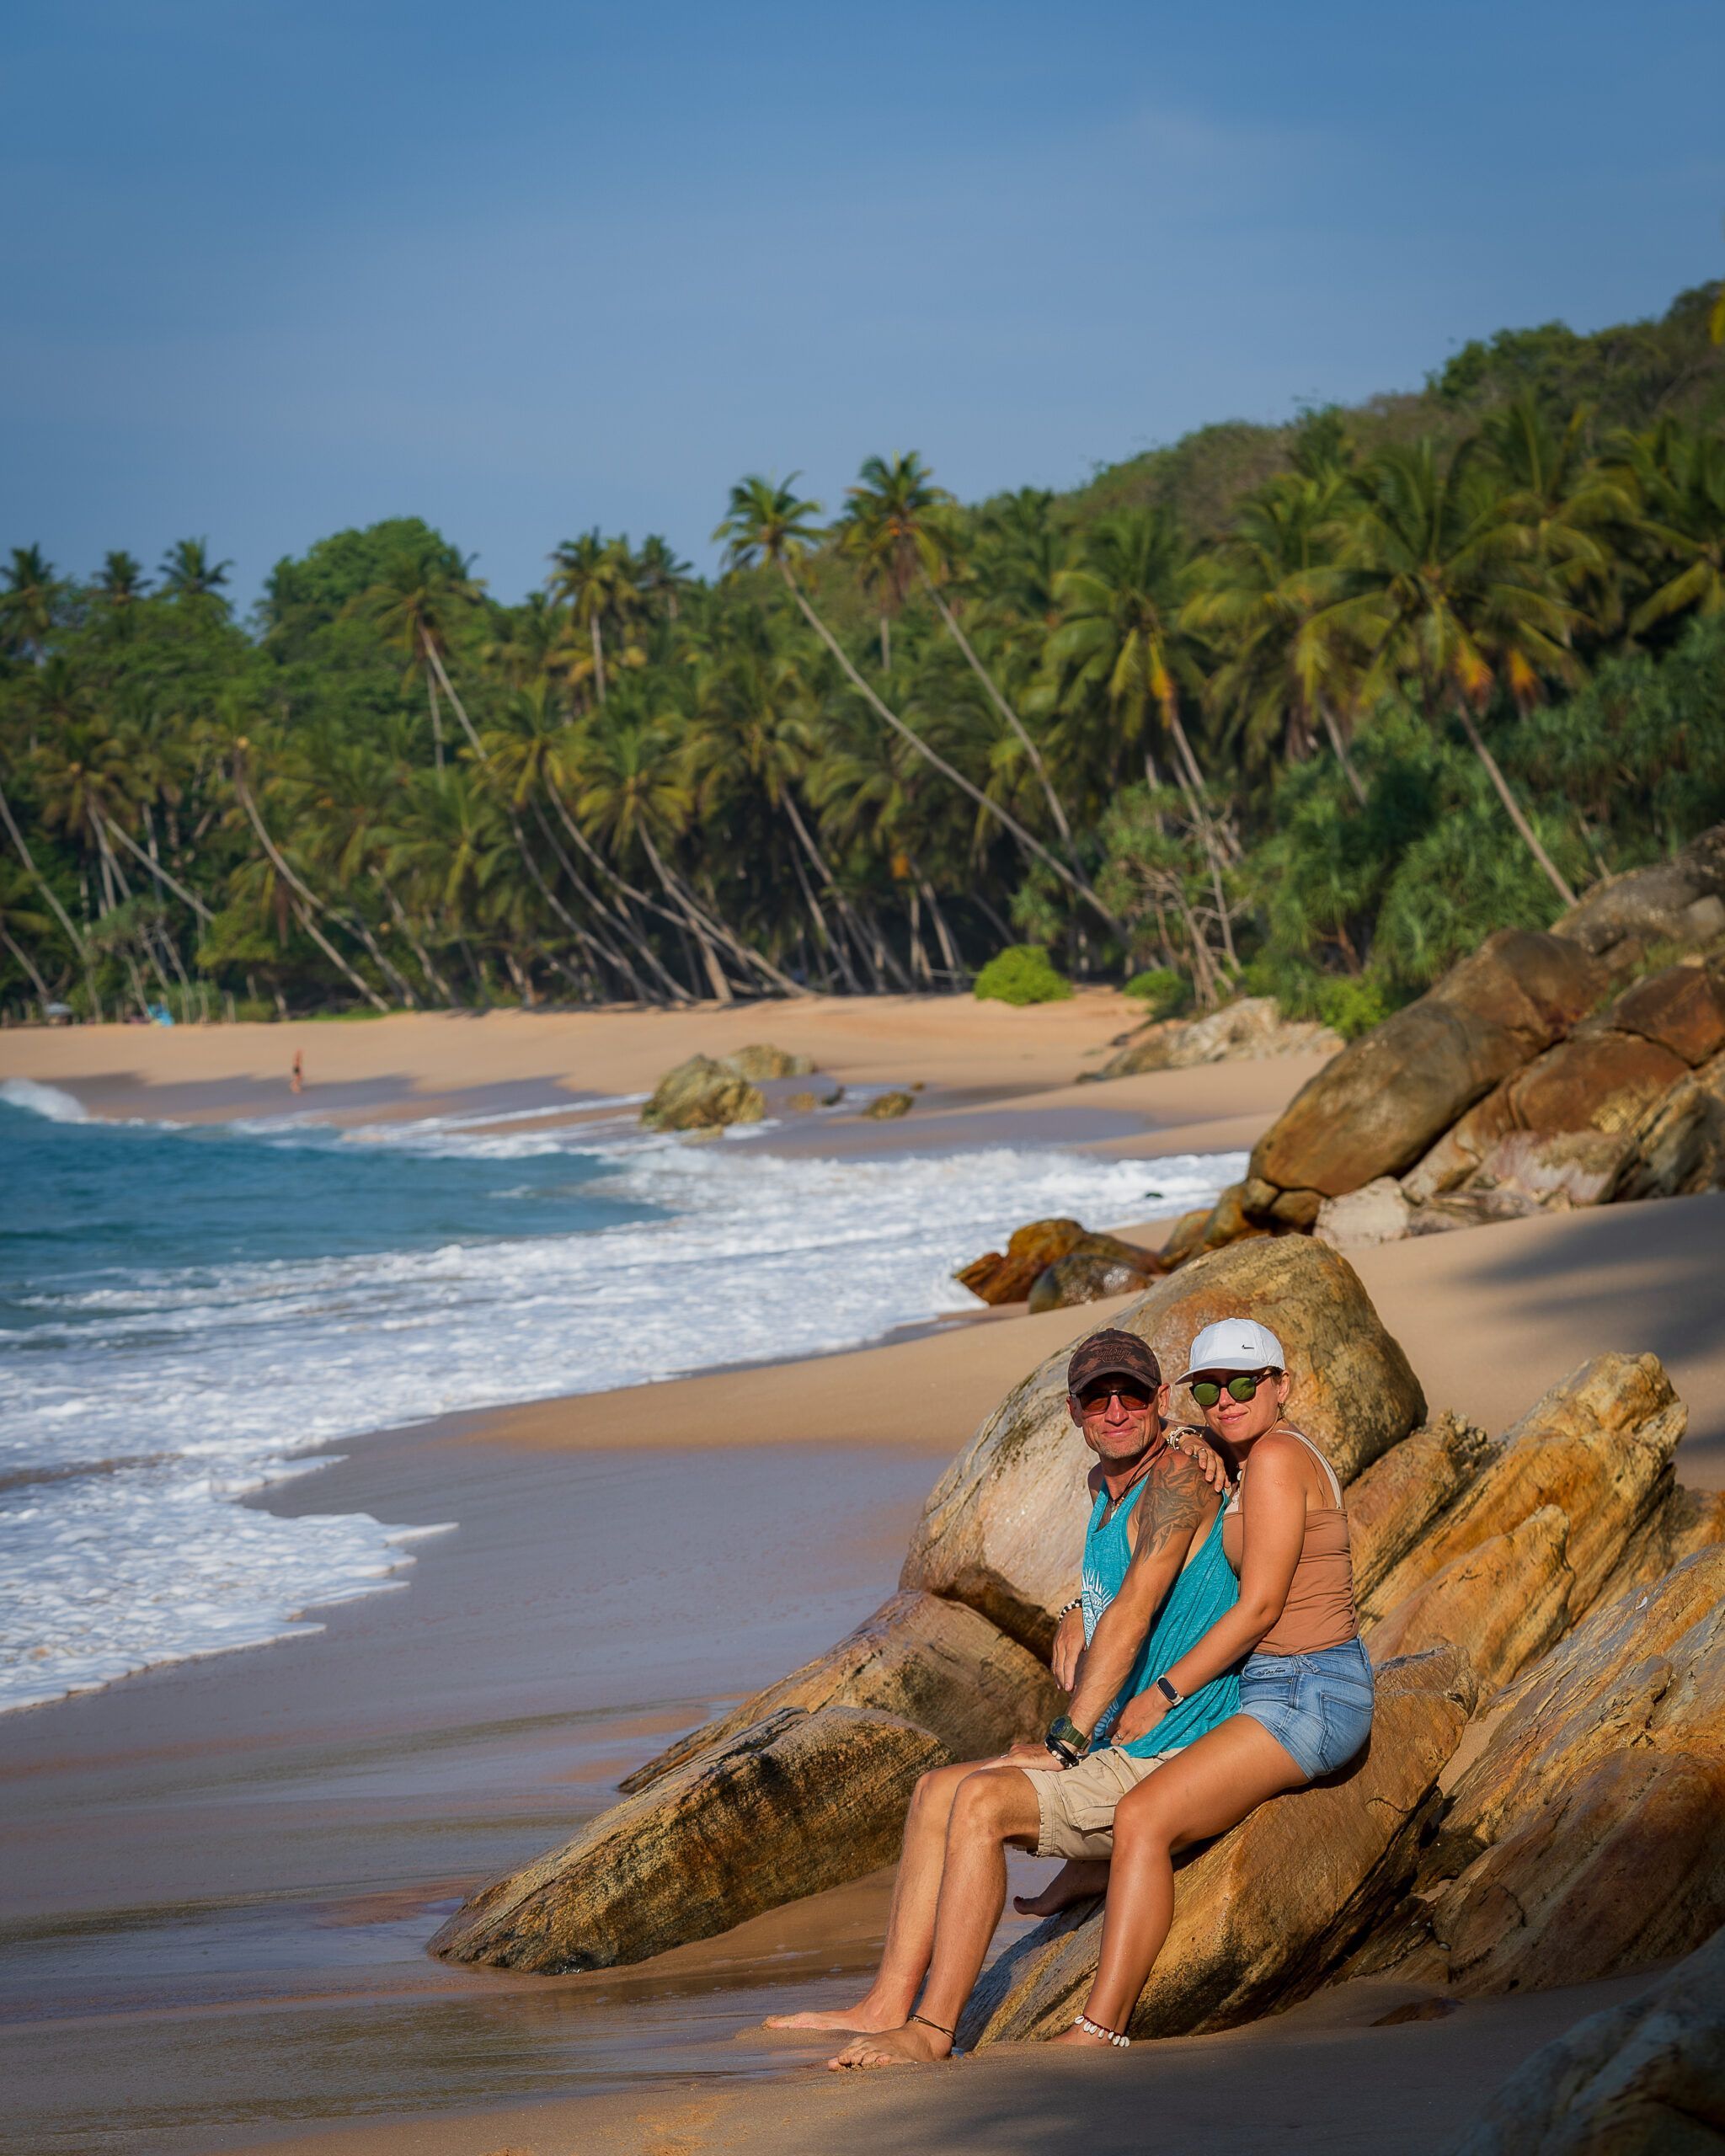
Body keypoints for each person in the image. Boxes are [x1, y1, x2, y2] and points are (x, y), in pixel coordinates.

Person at [790, 1327, 1242, 2071]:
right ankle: (885, 2001)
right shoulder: (1105, 1487)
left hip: (1170, 1750)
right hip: (1117, 1747)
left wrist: (1066, 1743)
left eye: (1134, 1395)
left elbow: (1131, 1615)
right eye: (1100, 1399)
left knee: (980, 1805)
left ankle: (931, 2032)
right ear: (1073, 1413)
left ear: (1162, 1400)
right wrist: (1071, 1610)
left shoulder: (1178, 1480)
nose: (1118, 1411)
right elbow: (1106, 1598)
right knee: (934, 1790)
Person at [1049, 1315, 1374, 2051]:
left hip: (1311, 1693)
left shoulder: (1277, 1460)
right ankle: (1086, 1873)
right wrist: (1074, 1609)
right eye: (1208, 1390)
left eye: (1242, 1383)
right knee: (1139, 1798)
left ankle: (1101, 2028)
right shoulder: (1235, 1457)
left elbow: (1260, 1606)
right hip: (1276, 1689)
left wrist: (1161, 1693)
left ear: (1281, 1385)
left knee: (1141, 1816)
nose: (1224, 1401)